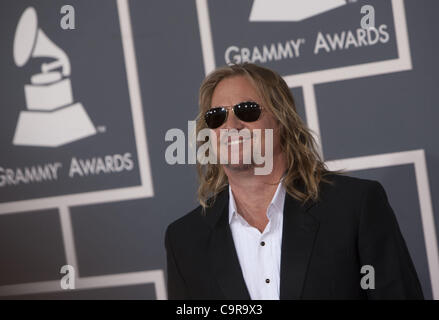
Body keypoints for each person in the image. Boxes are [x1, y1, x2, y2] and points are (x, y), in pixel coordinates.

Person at [164, 63, 424, 299]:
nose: (231, 125)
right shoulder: (185, 241)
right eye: (217, 115)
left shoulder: (354, 207)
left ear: (282, 120)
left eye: (247, 110)